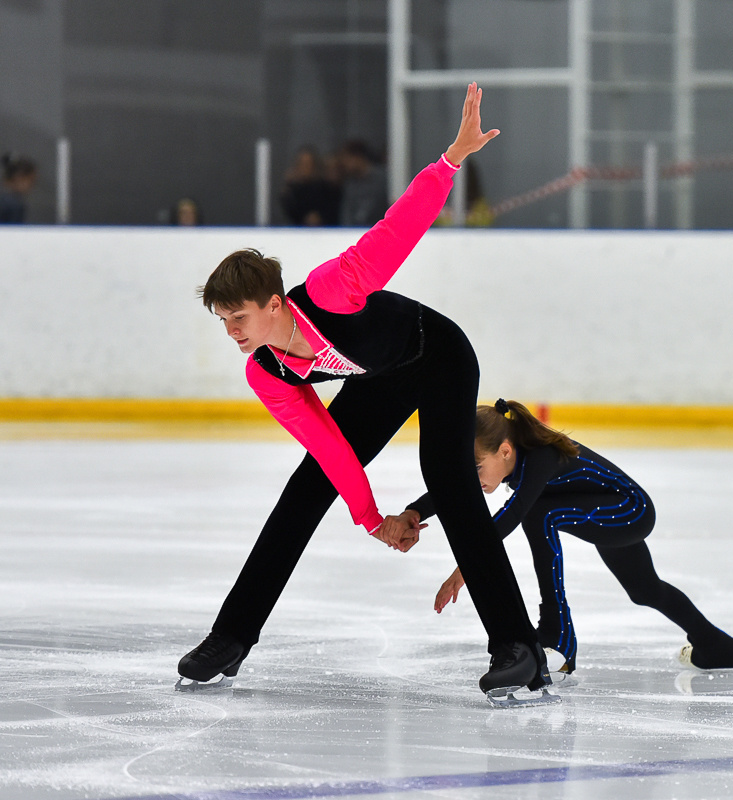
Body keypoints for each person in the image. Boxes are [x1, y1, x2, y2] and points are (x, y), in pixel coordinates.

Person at [178, 84, 551, 699]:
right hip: (382, 375)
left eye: (238, 318)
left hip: (440, 354)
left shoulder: (331, 290)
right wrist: (372, 518)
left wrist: (450, 161)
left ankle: (517, 647)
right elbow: (330, 450)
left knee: (450, 477)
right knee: (304, 489)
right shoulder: (268, 372)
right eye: (223, 322)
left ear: (275, 305)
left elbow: (396, 228)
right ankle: (230, 638)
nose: (232, 333)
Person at [386, 399, 733, 675]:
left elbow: (512, 515)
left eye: (478, 468)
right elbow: (455, 491)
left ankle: (558, 635)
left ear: (506, 451)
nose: (475, 479)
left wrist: (466, 567)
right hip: (604, 510)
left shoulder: (540, 456)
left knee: (539, 512)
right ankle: (720, 647)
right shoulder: (515, 456)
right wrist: (414, 512)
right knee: (645, 591)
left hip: (631, 510)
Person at [279, 145, 340, 227]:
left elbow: (332, 211)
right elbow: (290, 214)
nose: (305, 168)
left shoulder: (326, 189)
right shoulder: (292, 192)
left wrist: (320, 217)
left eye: (308, 164)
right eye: (302, 164)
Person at [337, 139, 387, 227]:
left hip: (379, 231)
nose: (344, 164)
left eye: (347, 159)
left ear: (358, 157)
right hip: (354, 233)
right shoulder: (350, 185)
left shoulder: (383, 180)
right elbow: (346, 214)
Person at [0, 153, 37, 223]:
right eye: (31, 181)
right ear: (19, 178)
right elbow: (13, 232)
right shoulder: (14, 205)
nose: (32, 186)